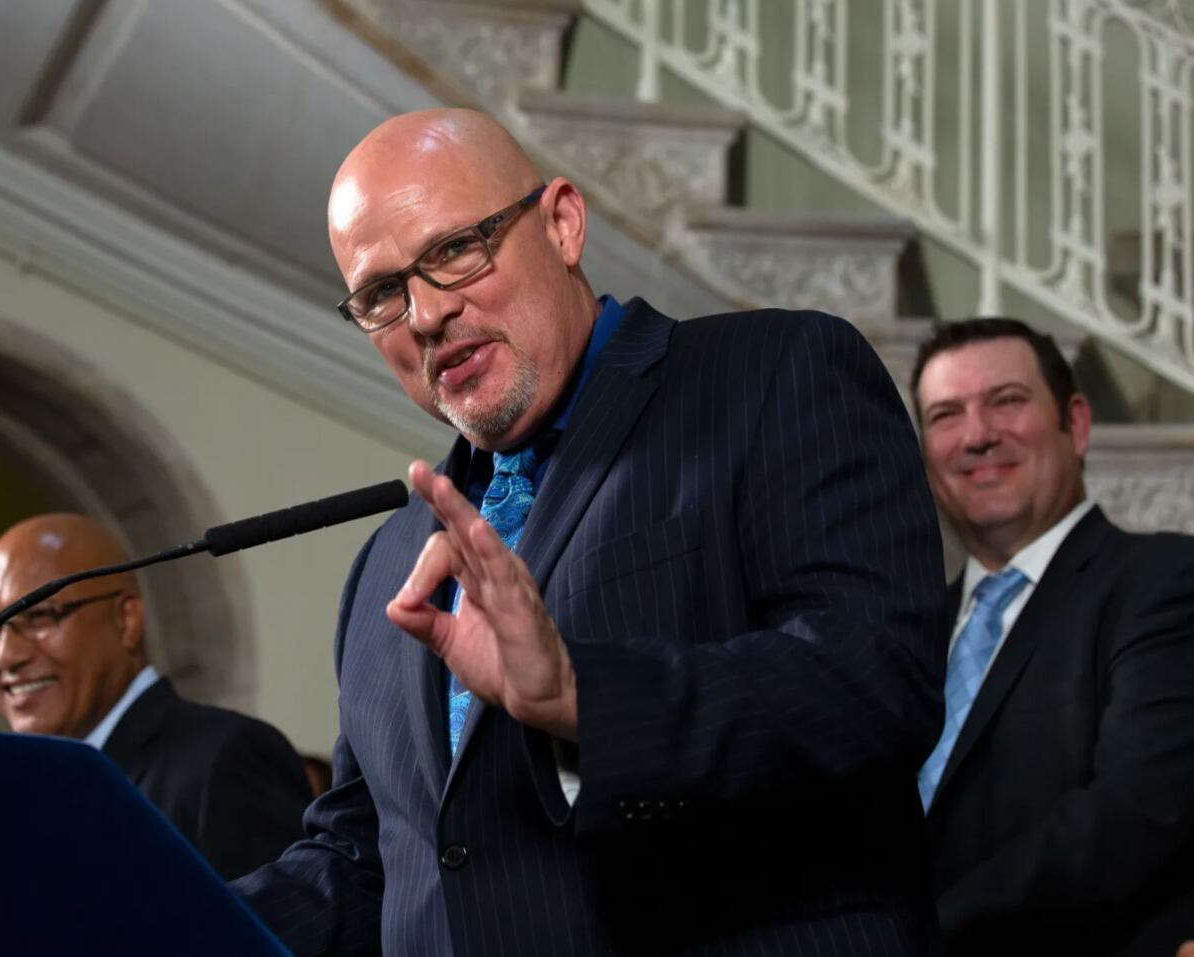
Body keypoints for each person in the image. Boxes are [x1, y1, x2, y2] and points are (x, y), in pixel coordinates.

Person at [233, 108, 949, 955]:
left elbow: (874, 684)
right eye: (382, 295)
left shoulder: (773, 374)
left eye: (454, 249)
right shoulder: (388, 563)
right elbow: (367, 859)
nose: (423, 313)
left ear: (563, 224)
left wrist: (580, 695)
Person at [910, 318, 1194, 955]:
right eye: (945, 415)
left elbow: (1138, 811)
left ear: (1078, 423)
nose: (978, 435)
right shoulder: (905, 633)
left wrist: (910, 935)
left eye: (1006, 401)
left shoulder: (1168, 583)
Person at [0, 513, 312, 879]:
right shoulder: (7, 795)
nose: (5, 656)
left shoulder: (225, 762)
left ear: (127, 620)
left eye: (41, 616)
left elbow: (280, 915)